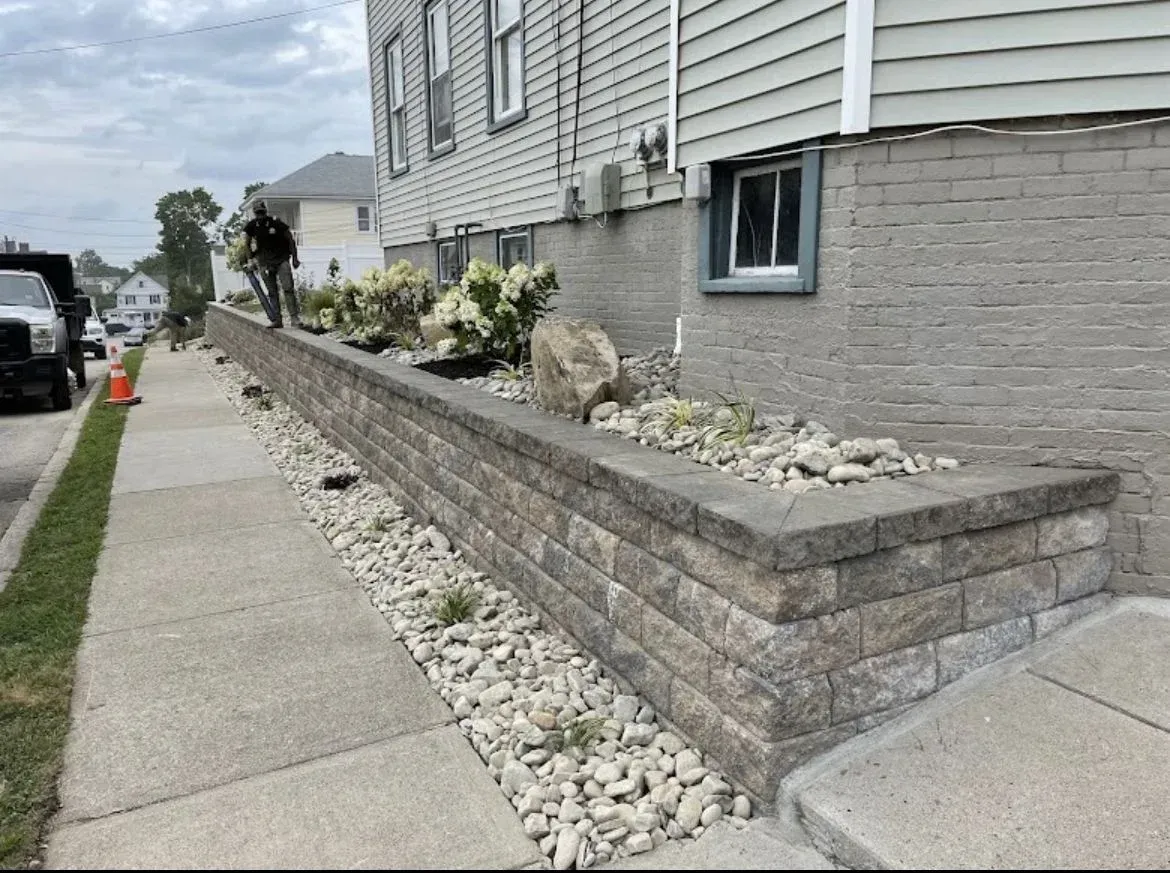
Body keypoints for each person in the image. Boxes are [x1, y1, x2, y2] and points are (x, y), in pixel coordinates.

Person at [242, 199, 302, 329]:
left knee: (288, 288)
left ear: (265, 211)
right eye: (258, 213)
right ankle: (277, 320)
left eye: (262, 212)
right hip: (264, 262)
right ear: (254, 213)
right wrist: (250, 260)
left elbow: (290, 240)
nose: (260, 215)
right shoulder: (252, 226)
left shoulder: (276, 222)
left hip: (281, 259)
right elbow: (246, 243)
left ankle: (294, 318)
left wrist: (295, 258)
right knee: (272, 292)